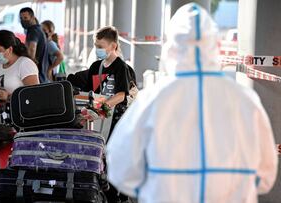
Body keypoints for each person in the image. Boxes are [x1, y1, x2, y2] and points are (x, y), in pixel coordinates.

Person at [106, 3, 278, 203]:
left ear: (170, 48)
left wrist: (153, 187)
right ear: (217, 46)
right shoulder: (245, 100)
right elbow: (265, 175)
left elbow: (120, 167)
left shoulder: (152, 99)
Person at [86, 26, 132, 202]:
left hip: (116, 120)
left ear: (113, 46)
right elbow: (90, 92)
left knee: (113, 156)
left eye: (101, 45)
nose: (97, 49)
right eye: (96, 45)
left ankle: (118, 192)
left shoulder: (121, 67)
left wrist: (102, 107)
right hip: (100, 120)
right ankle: (107, 190)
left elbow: (121, 95)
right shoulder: (95, 66)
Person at [0, 30, 39, 169]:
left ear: (9, 49)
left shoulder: (24, 64)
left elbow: (34, 95)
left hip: (20, 126)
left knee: (18, 165)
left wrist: (9, 97)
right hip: (0, 126)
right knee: (4, 166)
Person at [19, 7, 49, 83]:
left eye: (25, 18)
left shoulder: (33, 31)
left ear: (32, 17)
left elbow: (32, 50)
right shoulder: (38, 29)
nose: (23, 21)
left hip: (36, 76)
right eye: (21, 18)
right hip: (41, 75)